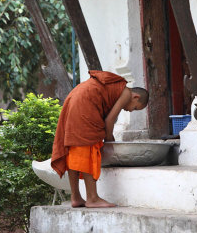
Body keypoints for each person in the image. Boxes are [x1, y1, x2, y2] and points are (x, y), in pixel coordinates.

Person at [51, 70, 149, 208]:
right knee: (89, 147)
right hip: (85, 103)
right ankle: (92, 198)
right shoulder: (126, 93)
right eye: (136, 108)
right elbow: (109, 121)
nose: (131, 111)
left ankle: (76, 196)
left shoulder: (117, 90)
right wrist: (110, 143)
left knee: (75, 149)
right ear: (136, 97)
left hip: (75, 97)